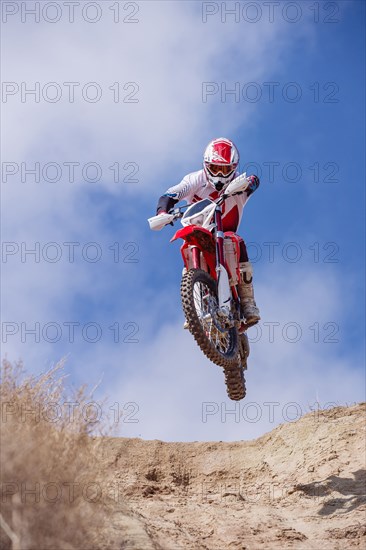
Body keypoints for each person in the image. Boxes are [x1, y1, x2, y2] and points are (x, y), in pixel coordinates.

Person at [156, 137, 260, 326]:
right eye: (215, 168)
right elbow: (172, 194)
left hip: (225, 231)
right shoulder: (195, 179)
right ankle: (194, 308)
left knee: (236, 241)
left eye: (226, 169)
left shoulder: (237, 182)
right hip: (200, 228)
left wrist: (249, 183)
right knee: (187, 249)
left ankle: (247, 302)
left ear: (234, 168)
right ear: (206, 165)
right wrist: (163, 212)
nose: (220, 174)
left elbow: (254, 181)